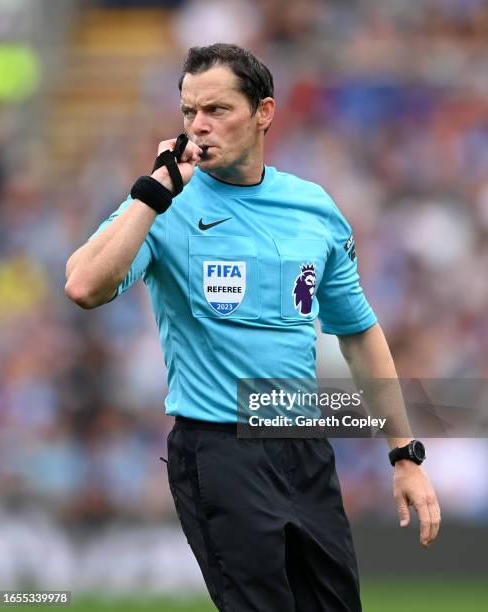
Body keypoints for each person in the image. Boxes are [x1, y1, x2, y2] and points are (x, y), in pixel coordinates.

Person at [65, 43, 441, 612]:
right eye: (189, 112)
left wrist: (403, 453)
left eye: (216, 110)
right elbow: (83, 286)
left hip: (302, 446)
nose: (199, 126)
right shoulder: (165, 203)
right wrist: (153, 194)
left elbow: (358, 331)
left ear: (263, 112)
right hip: (219, 450)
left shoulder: (313, 208)